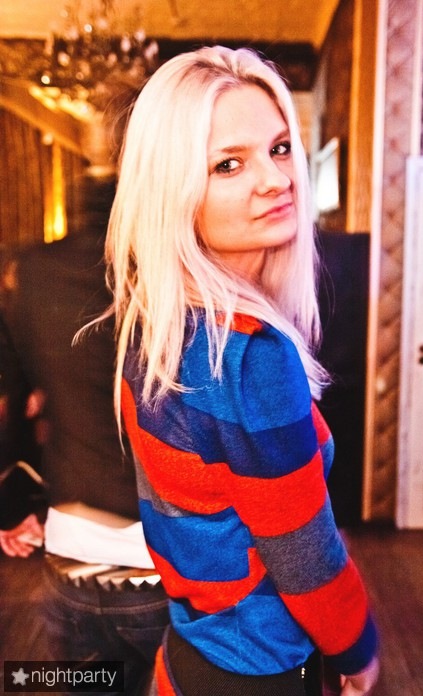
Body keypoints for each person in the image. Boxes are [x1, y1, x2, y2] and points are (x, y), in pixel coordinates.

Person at [105, 45, 380, 696]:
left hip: (191, 649)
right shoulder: (250, 354)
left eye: (280, 149)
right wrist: (358, 650)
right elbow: (304, 553)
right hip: (258, 667)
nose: (276, 179)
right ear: (174, 192)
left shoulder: (157, 325)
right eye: (228, 163)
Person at [1, 171, 169, 695]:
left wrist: (11, 505)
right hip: (158, 556)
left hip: (71, 550)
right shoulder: (160, 276)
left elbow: (13, 400)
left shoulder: (33, 271)